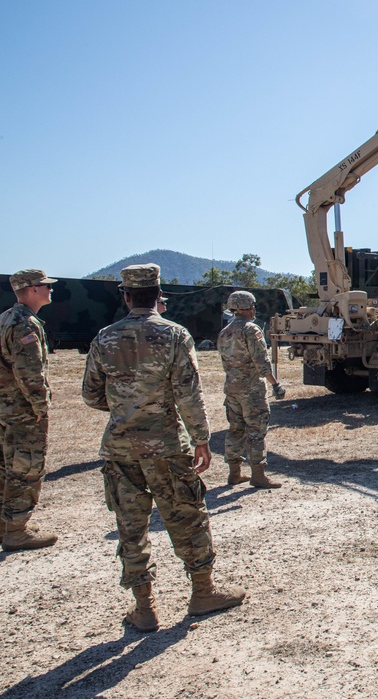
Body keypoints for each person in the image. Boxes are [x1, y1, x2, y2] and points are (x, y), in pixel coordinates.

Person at [82, 264, 245, 632]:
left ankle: (145, 608)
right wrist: (202, 438)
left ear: (126, 296)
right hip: (168, 447)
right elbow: (189, 393)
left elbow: (91, 394)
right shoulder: (174, 335)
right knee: (187, 517)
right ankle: (202, 592)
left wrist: (127, 404)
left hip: (120, 448)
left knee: (131, 527)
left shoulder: (104, 337)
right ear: (159, 296)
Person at [0, 268, 58, 551]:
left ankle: (3, 525)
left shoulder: (4, 319)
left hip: (3, 407)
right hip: (22, 410)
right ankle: (17, 531)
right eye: (46, 286)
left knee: (4, 466)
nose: (50, 290)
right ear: (32, 289)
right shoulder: (25, 324)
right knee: (27, 467)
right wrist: (40, 406)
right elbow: (29, 373)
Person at [217, 290, 284, 489]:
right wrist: (275, 384)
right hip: (251, 391)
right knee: (256, 431)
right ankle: (258, 475)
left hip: (231, 389)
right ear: (247, 307)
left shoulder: (225, 332)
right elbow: (262, 363)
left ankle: (234, 473)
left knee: (235, 429)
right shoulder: (251, 330)